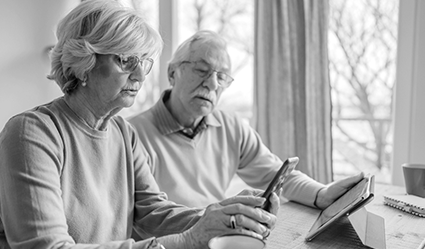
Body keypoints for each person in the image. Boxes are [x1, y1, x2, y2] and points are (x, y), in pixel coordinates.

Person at [0, 2, 279, 248]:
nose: (139, 74)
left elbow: (152, 212)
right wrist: (187, 241)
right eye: (125, 60)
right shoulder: (32, 134)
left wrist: (222, 215)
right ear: (83, 63)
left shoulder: (123, 133)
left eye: (144, 62)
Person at [128, 30, 364, 210]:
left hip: (218, 236)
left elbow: (276, 174)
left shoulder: (231, 127)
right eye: (202, 70)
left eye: (221, 77)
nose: (212, 84)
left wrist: (320, 194)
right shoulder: (133, 135)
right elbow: (147, 216)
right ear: (172, 73)